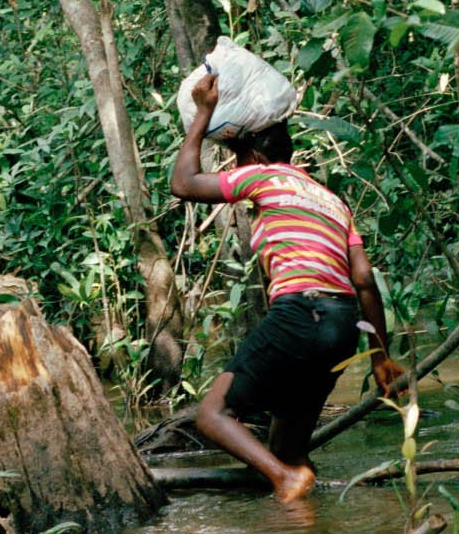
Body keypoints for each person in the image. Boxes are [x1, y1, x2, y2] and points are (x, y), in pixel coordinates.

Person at [168, 66, 403, 502]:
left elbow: (182, 183)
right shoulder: (333, 201)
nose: (233, 168)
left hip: (302, 311)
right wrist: (381, 359)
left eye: (236, 158)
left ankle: (285, 480)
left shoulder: (263, 175)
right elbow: (365, 280)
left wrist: (203, 113)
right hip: (343, 326)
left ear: (254, 157)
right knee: (288, 450)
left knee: (212, 413)